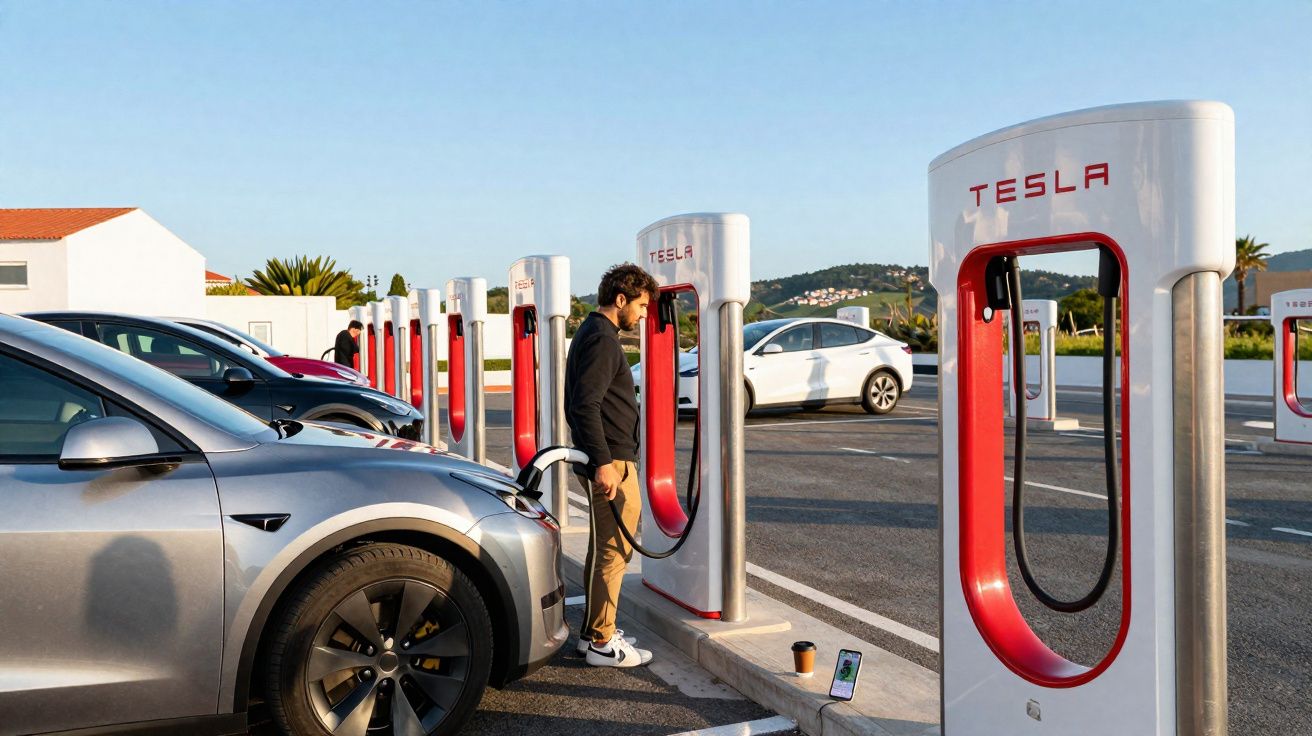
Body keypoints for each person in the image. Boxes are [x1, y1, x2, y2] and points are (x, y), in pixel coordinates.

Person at [565, 263, 659, 668]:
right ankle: (602, 643)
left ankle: (594, 633)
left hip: (608, 457)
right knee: (614, 550)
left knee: (603, 547)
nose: (643, 314)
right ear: (621, 299)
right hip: (612, 461)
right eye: (641, 306)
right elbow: (584, 405)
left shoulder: (592, 331)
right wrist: (604, 463)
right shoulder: (603, 339)